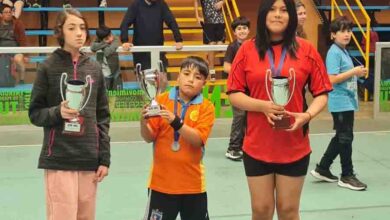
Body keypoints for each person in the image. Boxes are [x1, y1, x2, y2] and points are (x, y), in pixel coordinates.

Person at [227, 0, 332, 219]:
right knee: (261, 210)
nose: (278, 15)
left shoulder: (307, 50)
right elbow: (234, 93)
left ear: (292, 16)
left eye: (284, 10)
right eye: (272, 10)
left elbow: (321, 93)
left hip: (294, 146)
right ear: (263, 15)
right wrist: (262, 106)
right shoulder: (247, 49)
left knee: (289, 211)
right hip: (257, 146)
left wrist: (307, 115)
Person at [28, 8, 110, 219]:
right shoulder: (47, 67)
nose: (79, 33)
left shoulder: (94, 69)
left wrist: (104, 159)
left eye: (82, 27)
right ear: (60, 32)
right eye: (72, 28)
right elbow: (35, 113)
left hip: (88, 159)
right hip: (59, 159)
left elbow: (103, 117)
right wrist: (58, 112)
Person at [140, 56, 215, 220]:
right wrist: (142, 121)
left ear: (204, 83)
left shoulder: (207, 107)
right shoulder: (161, 100)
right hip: (161, 184)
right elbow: (149, 137)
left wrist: (175, 121)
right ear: (178, 76)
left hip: (193, 186)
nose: (191, 80)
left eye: (198, 77)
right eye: (186, 74)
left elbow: (198, 140)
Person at [310, 16, 368, 191]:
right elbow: (331, 79)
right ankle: (347, 175)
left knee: (341, 136)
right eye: (342, 31)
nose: (347, 34)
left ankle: (323, 168)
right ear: (333, 35)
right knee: (345, 137)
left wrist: (357, 73)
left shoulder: (343, 50)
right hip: (340, 101)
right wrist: (354, 72)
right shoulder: (334, 52)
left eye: (349, 31)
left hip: (347, 101)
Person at [120, 0, 183, 73]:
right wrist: (124, 41)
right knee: (144, 81)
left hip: (158, 49)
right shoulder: (135, 5)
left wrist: (178, 40)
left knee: (162, 79)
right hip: (141, 53)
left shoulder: (161, 4)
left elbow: (171, 22)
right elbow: (125, 23)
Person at [224, 16, 250, 161]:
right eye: (239, 29)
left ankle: (244, 146)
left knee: (248, 118)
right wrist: (241, 71)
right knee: (239, 117)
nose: (242, 31)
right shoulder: (233, 47)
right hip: (236, 88)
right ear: (234, 32)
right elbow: (226, 66)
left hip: (248, 89)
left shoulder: (253, 45)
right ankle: (233, 148)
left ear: (249, 30)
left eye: (244, 28)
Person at [194, 0, 225, 81]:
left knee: (220, 46)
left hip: (220, 21)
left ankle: (208, 56)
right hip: (208, 22)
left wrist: (223, 1)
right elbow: (196, 1)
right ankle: (211, 69)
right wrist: (197, 16)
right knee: (212, 45)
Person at [0, 3, 27, 84]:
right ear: (1, 14)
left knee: (19, 59)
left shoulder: (18, 23)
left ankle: (22, 80)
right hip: (1, 49)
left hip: (15, 48)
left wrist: (25, 55)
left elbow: (23, 40)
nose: (8, 14)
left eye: (10, 12)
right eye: (6, 12)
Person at [91, 25, 121, 90]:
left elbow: (107, 52)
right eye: (107, 38)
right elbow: (92, 47)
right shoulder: (98, 39)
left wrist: (102, 44)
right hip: (103, 73)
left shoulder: (115, 38)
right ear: (100, 39)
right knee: (105, 95)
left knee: (117, 94)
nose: (110, 39)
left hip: (115, 72)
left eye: (110, 35)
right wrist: (105, 43)